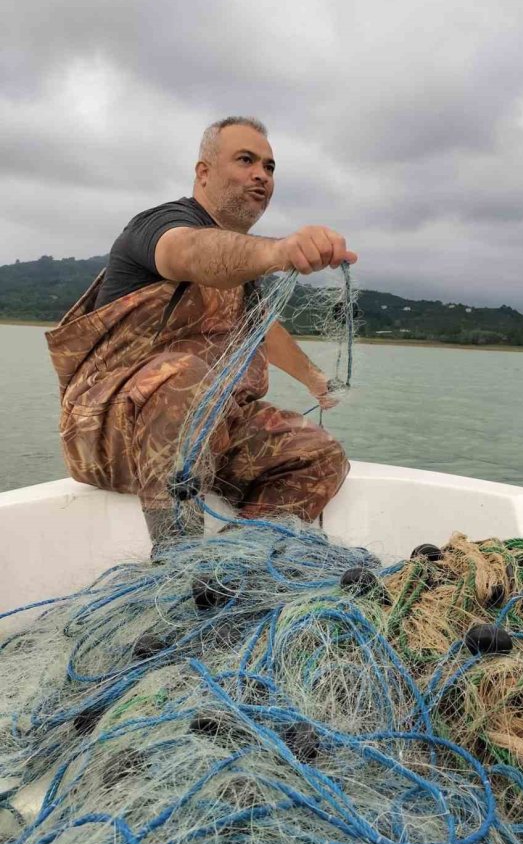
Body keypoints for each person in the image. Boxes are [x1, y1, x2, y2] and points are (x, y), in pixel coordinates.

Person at [46, 116, 358, 548]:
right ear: (203, 172)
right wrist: (278, 250)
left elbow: (262, 328)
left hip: (208, 433)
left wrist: (315, 381)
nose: (261, 175)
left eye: (269, 167)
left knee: (319, 455)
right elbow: (190, 253)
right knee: (184, 376)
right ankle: (177, 562)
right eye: (246, 160)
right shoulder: (158, 226)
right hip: (109, 432)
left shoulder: (244, 274)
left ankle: (232, 564)